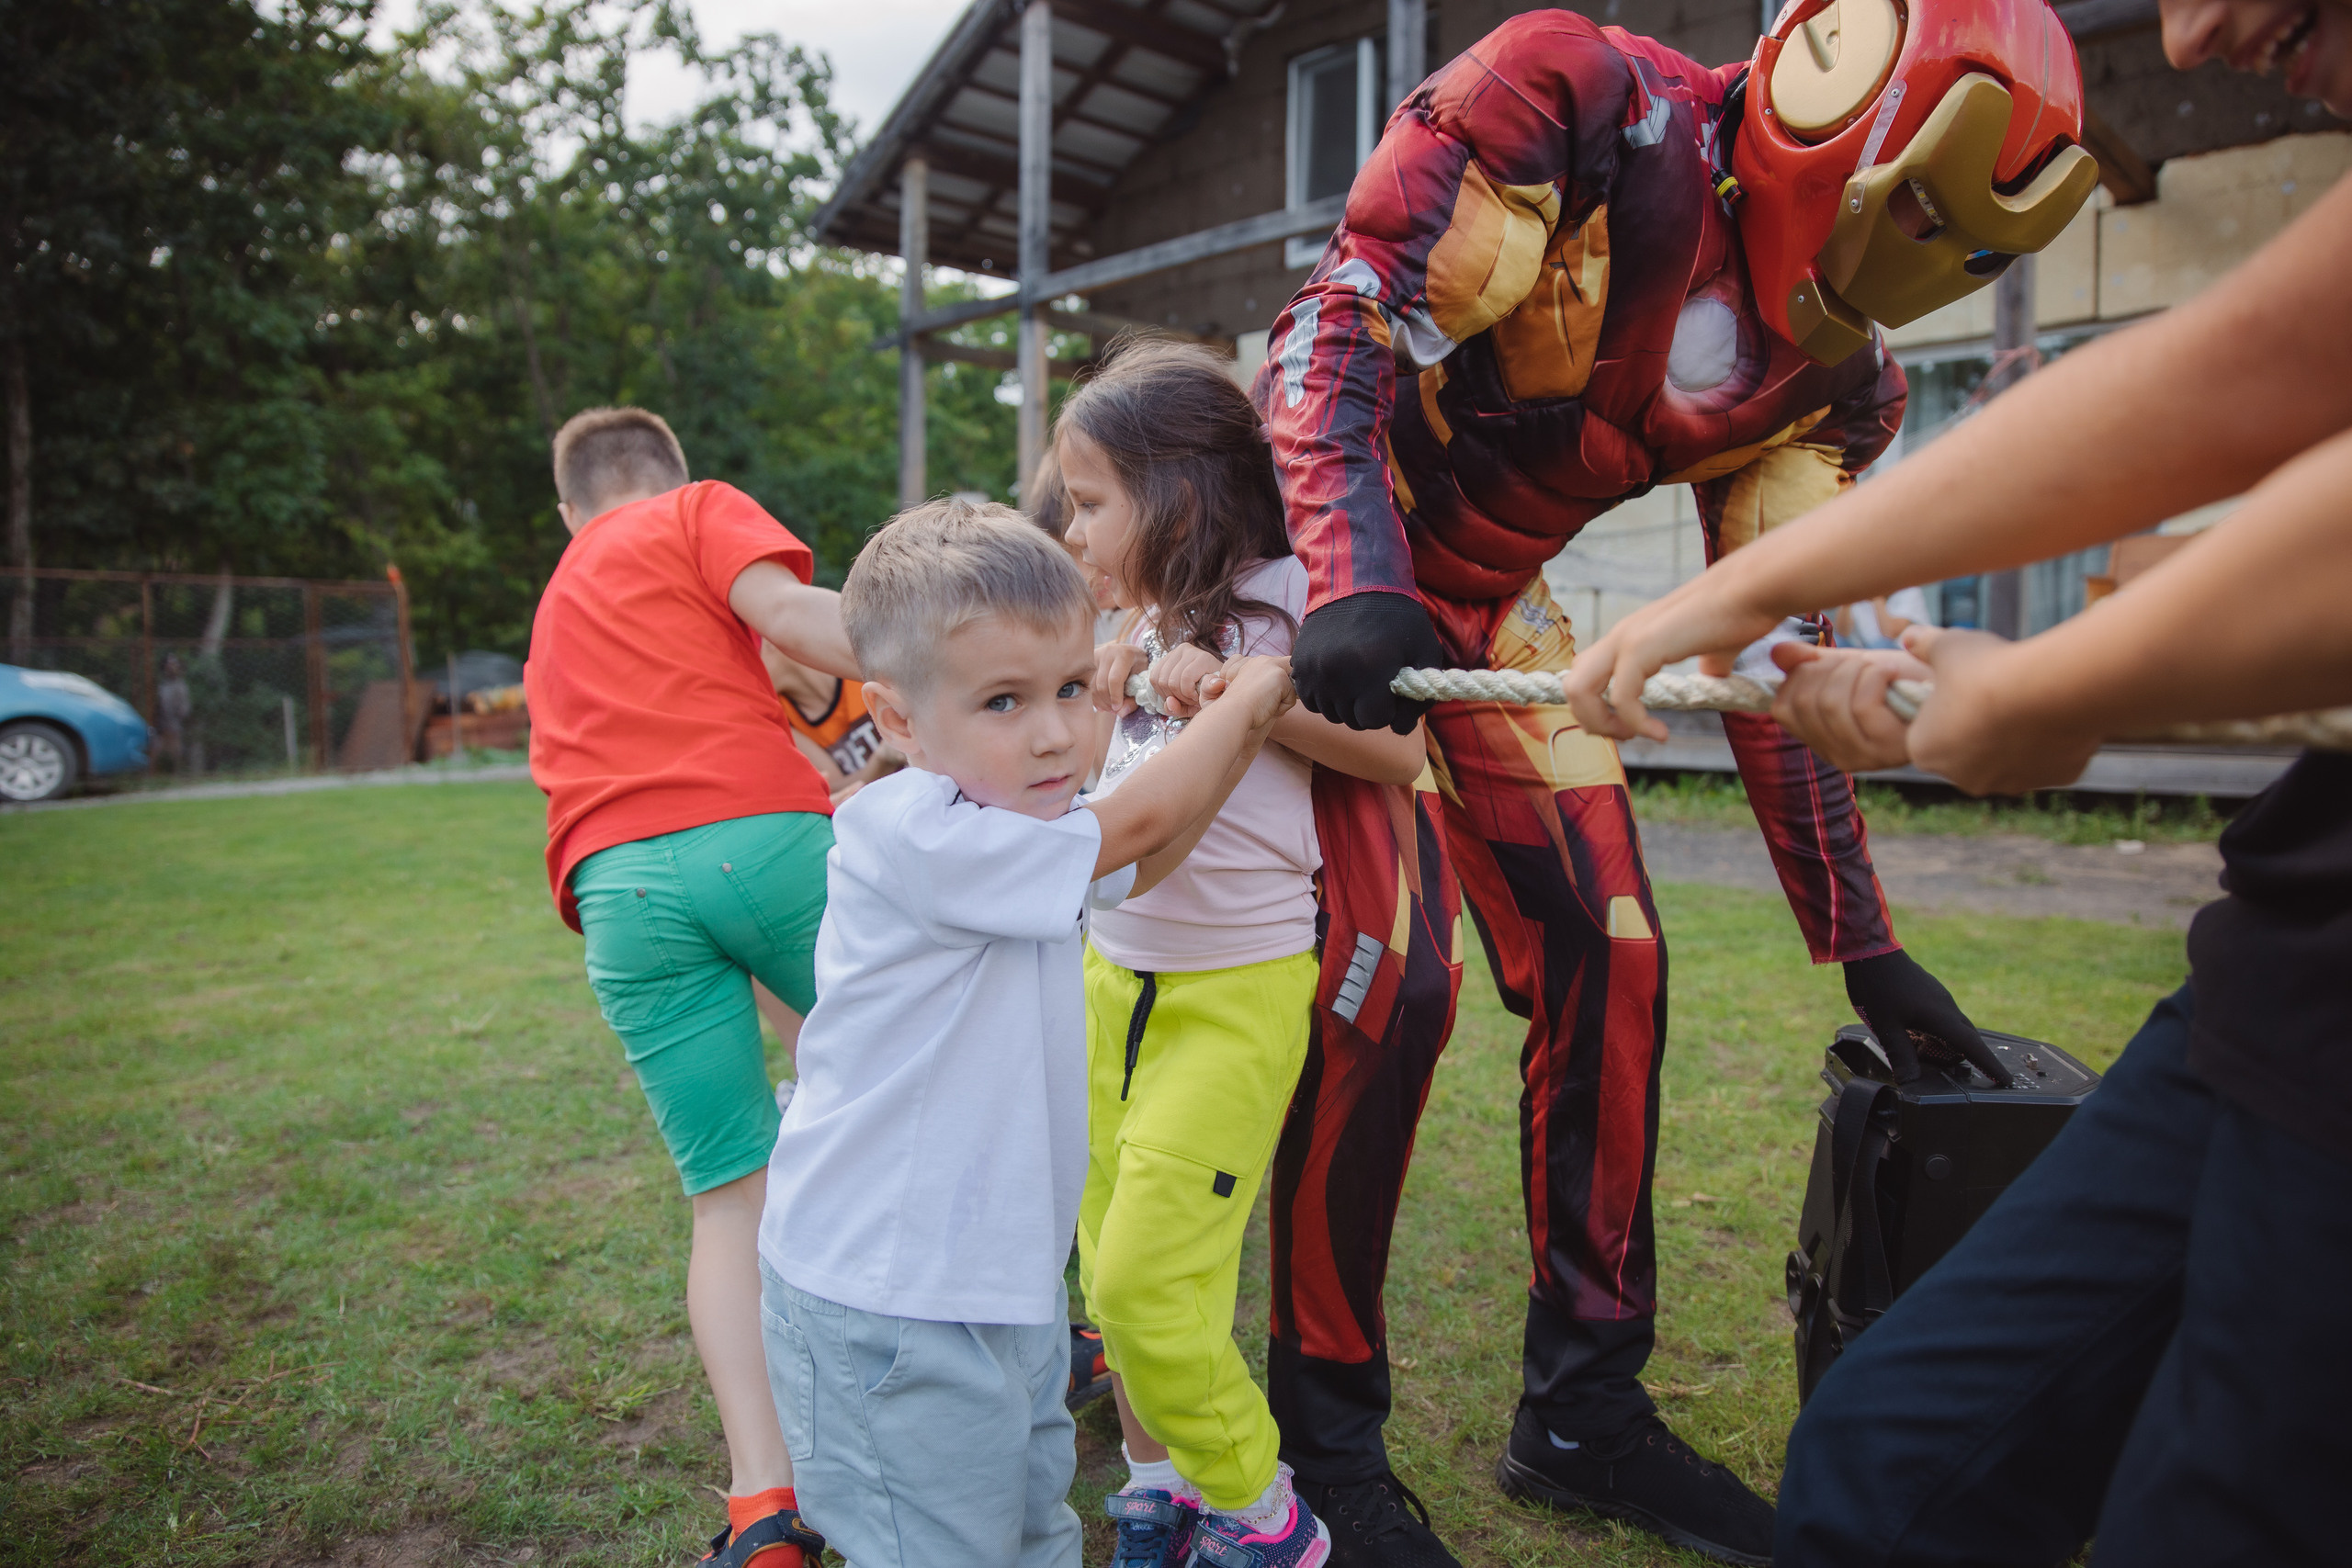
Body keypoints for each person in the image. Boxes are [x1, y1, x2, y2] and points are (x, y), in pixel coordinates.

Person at [1249, 1, 2091, 1558]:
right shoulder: (1579, 99)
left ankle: (1584, 1406)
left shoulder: (1836, 385)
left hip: (1487, 611)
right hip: (1311, 585)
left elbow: (1774, 653)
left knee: (1615, 954)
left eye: (1967, 246)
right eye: (1922, 210)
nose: (1925, 261)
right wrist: (1350, 572)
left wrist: (1863, 940)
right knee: (1395, 980)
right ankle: (1322, 1437)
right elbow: (1338, 317)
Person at [1558, 1, 2352, 1556]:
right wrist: (1740, 592)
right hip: (2283, 966)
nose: (2188, 42)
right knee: (1888, 1461)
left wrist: (2059, 690)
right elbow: (2235, 372)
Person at [753, 499, 1299, 1568]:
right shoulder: (913, 835)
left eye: (1067, 688)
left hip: (994, 1283)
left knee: (1034, 1529)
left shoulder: (1018, 824)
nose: (1054, 733)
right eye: (1002, 700)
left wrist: (1231, 731)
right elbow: (1138, 823)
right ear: (898, 719)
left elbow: (1152, 855)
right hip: (885, 1299)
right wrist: (1247, 698)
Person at [1055, 340, 1429, 1568]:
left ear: (1175, 491)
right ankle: (1158, 1484)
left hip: (1233, 990)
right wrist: (1100, 696)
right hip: (1110, 975)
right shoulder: (1140, 616)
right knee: (1108, 1259)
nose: (1073, 528)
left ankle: (1267, 1517)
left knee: (1148, 1276)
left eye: (1090, 500)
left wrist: (1246, 690)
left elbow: (1401, 751)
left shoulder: (1290, 596)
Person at [524, 407, 851, 1568]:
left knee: (724, 1195)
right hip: (759, 834)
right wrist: (969, 645)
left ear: (569, 510)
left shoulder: (556, 596)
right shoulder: (696, 511)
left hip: (616, 889)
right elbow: (798, 623)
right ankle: (1051, 1340)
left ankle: (763, 1508)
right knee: (921, 1081)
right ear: (672, 475)